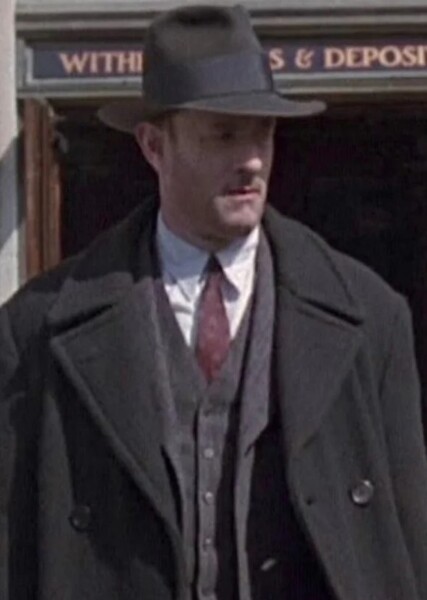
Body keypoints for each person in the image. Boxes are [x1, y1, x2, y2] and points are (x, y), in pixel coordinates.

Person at [1, 5, 427, 600]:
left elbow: (405, 546)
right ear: (154, 146)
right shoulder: (34, 332)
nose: (250, 160)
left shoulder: (373, 318)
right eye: (224, 134)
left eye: (262, 133)